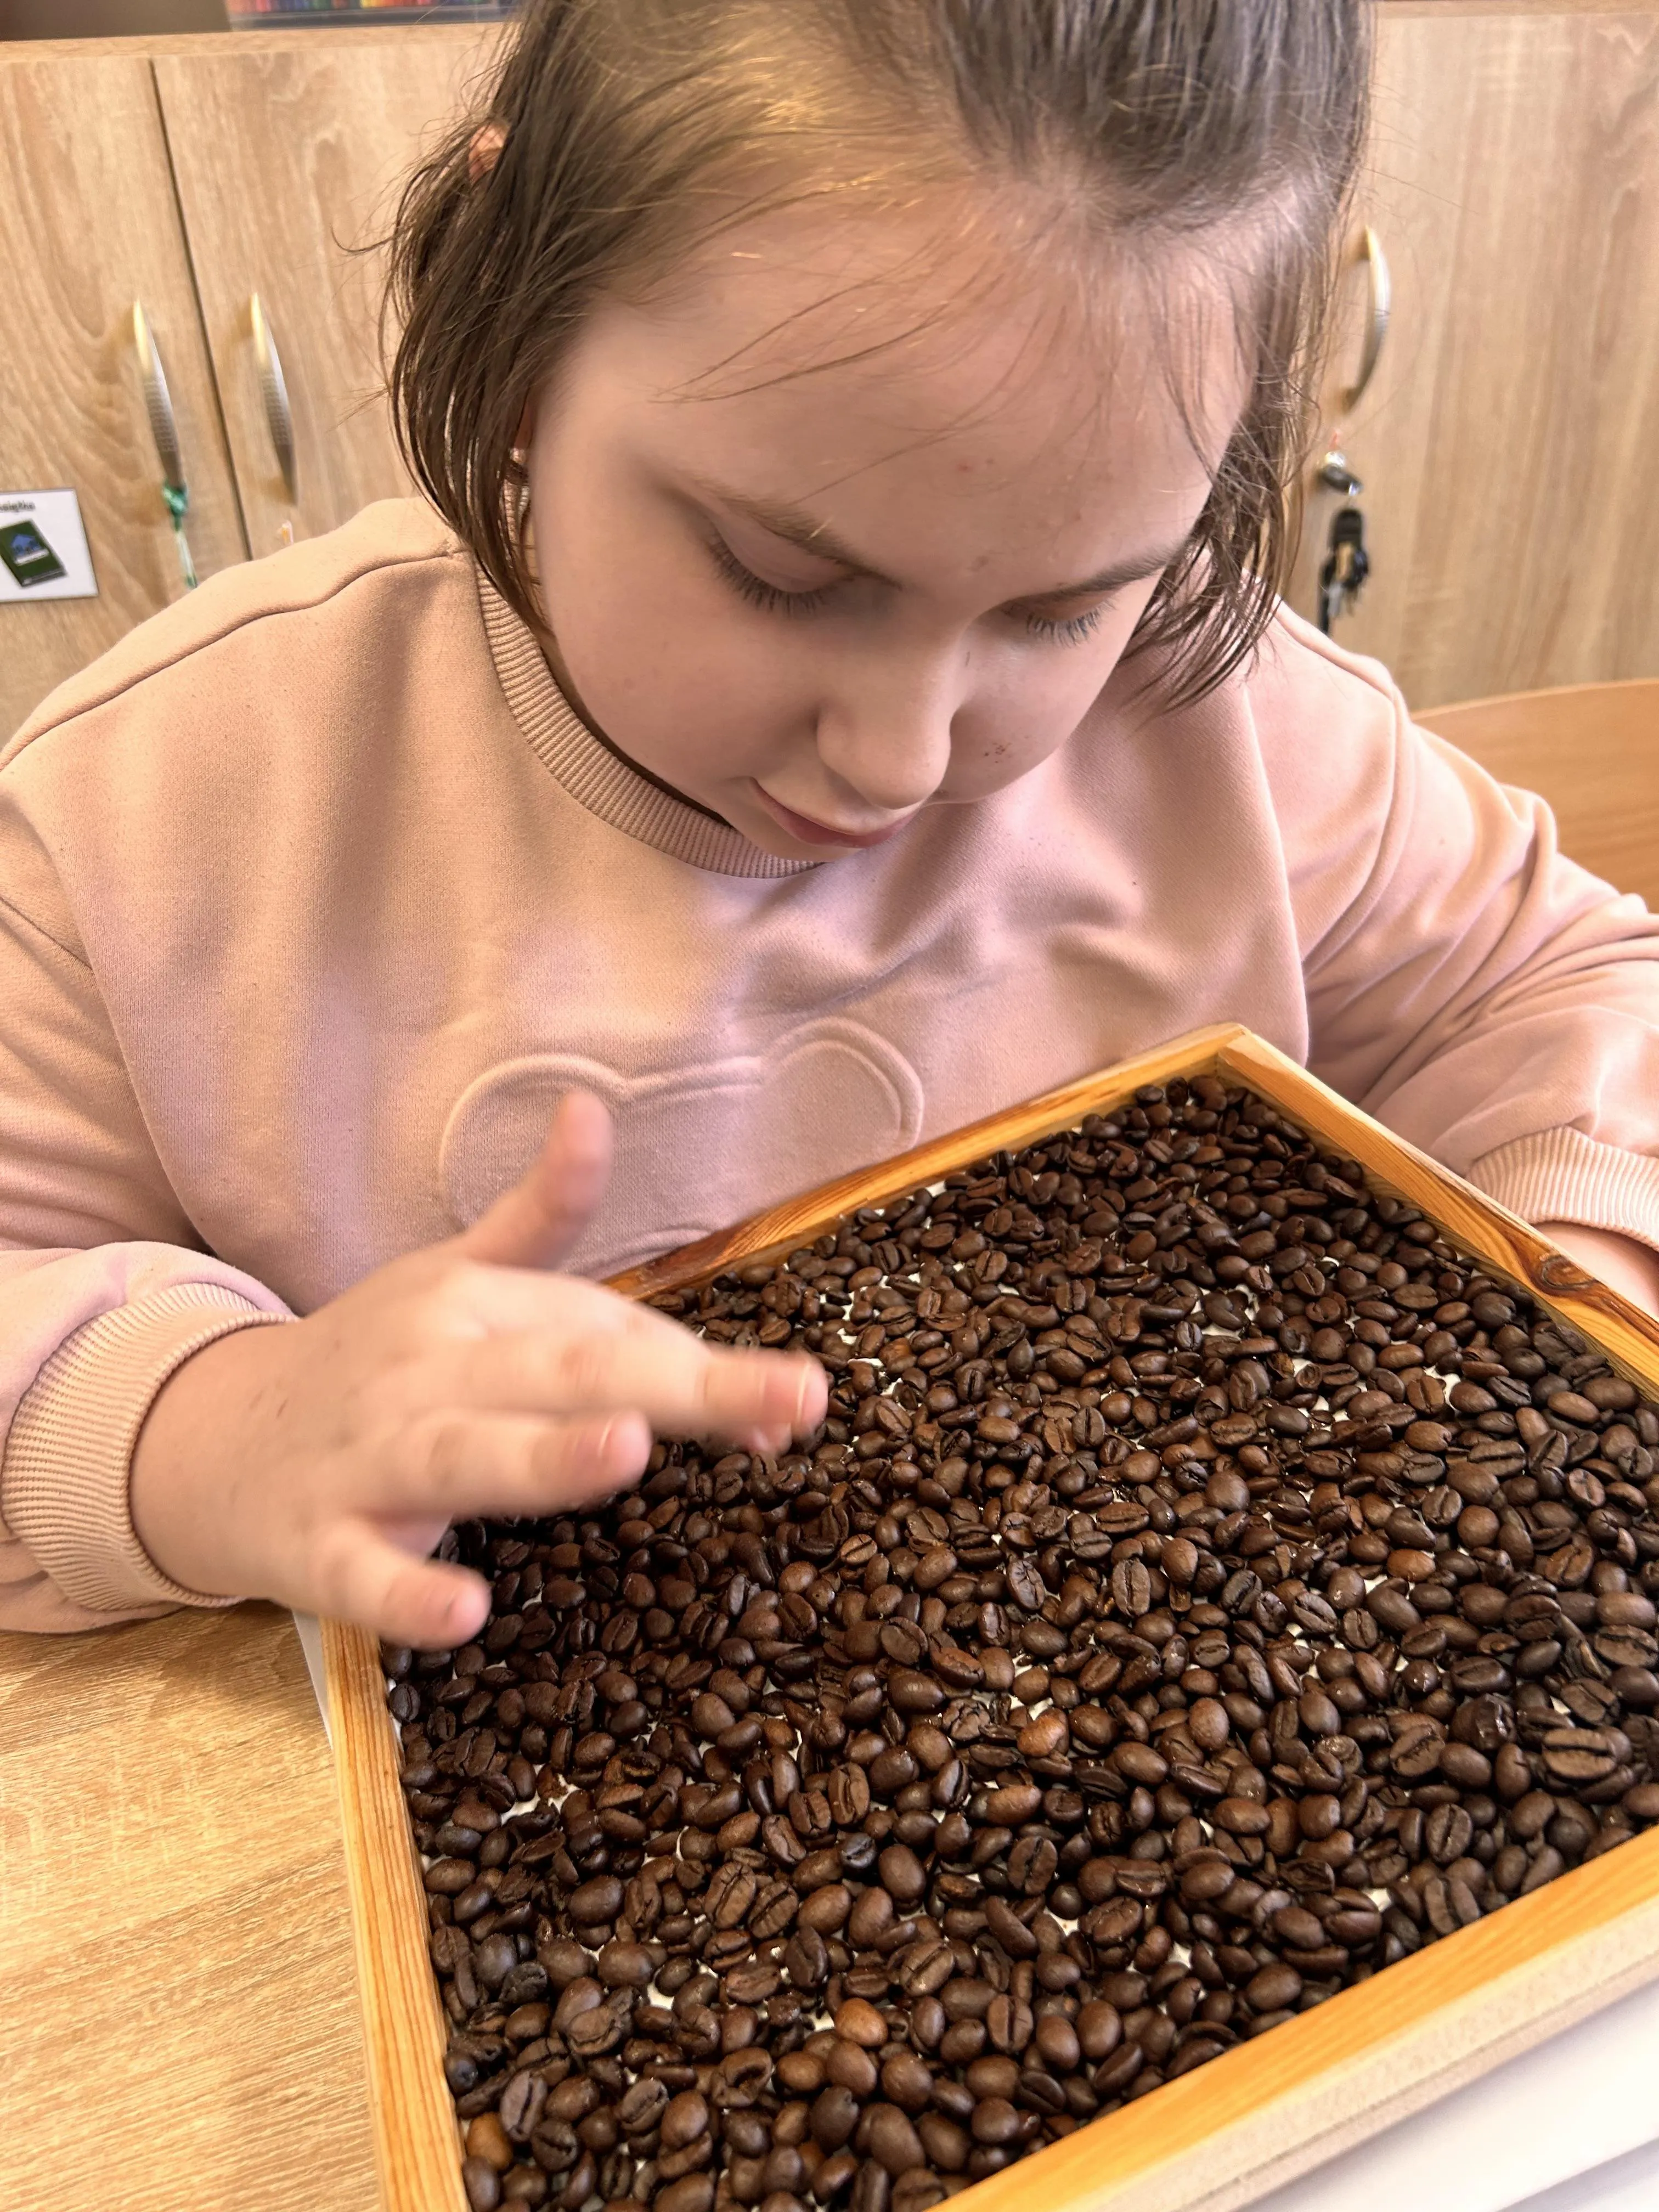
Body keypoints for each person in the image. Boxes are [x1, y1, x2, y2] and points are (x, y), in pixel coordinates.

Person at [2, 0, 1655, 1649]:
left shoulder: (1229, 726)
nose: (899, 753)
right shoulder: (136, 832)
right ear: (509, 317)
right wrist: (215, 1433)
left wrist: (1556, 1317)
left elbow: (1565, 989)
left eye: (1060, 609)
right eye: (784, 574)